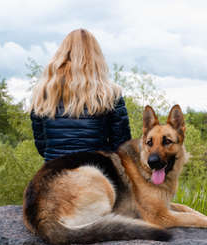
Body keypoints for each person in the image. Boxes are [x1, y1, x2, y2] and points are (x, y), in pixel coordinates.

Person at [29, 29, 131, 162]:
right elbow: (122, 146)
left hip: (53, 172)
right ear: (96, 56)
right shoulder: (110, 93)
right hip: (96, 172)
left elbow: (42, 147)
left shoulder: (42, 92)